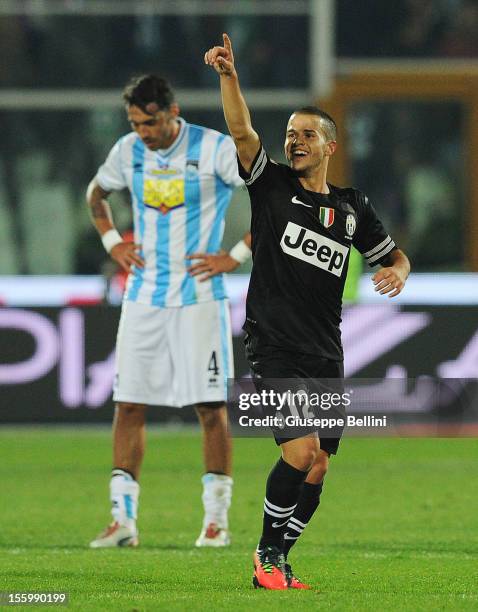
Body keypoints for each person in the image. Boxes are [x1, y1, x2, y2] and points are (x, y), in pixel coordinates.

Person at [205, 34, 410, 589]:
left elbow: (395, 256)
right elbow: (242, 131)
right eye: (290, 134)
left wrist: (398, 271)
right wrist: (229, 76)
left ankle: (278, 556)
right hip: (273, 342)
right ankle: (266, 557)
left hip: (325, 348)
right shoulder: (269, 185)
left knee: (318, 464)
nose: (294, 142)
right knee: (300, 450)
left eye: (306, 135)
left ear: (329, 146)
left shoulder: (352, 207)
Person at [87, 74, 251, 548]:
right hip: (142, 297)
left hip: (199, 296)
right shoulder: (127, 151)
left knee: (209, 407)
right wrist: (114, 242)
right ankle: (123, 521)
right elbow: (96, 195)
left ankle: (215, 521)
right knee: (129, 403)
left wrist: (234, 257)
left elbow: (270, 197)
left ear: (172, 112)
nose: (144, 132)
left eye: (151, 122)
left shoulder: (213, 149)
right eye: (136, 123)